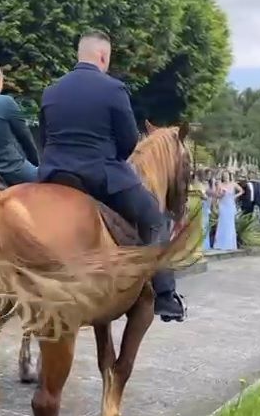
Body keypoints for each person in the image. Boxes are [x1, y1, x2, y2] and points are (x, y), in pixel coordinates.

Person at [38, 30, 186, 322]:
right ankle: (166, 296)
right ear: (103, 56)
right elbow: (129, 141)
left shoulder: (51, 90)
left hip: (53, 174)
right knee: (155, 219)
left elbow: (44, 139)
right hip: (99, 176)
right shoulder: (114, 89)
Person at [212, 171, 243, 250]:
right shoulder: (220, 185)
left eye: (227, 175)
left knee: (230, 224)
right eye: (224, 175)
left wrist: (235, 196)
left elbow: (241, 191)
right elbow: (216, 195)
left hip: (230, 205)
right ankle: (220, 244)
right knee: (222, 223)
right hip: (223, 205)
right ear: (222, 177)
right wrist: (221, 195)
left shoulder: (233, 184)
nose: (226, 177)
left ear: (229, 176)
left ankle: (229, 244)